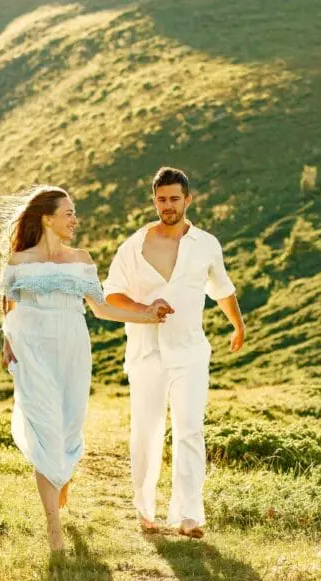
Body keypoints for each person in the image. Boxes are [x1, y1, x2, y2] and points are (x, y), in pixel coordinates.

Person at [0, 186, 171, 552]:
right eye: (69, 213)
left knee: (68, 429)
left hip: (72, 347)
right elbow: (9, 304)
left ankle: (61, 474)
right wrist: (8, 341)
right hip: (32, 348)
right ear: (48, 218)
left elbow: (102, 308)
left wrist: (147, 314)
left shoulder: (82, 259)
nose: (75, 220)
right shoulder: (19, 261)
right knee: (46, 429)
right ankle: (53, 528)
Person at [103, 167, 245, 539]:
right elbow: (111, 293)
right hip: (146, 352)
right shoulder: (134, 246)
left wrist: (238, 325)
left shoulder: (206, 244)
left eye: (174, 199)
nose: (168, 205)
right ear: (154, 201)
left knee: (190, 430)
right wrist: (144, 308)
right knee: (146, 431)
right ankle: (145, 509)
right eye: (161, 199)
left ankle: (188, 515)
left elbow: (222, 289)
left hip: (190, 351)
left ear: (187, 200)